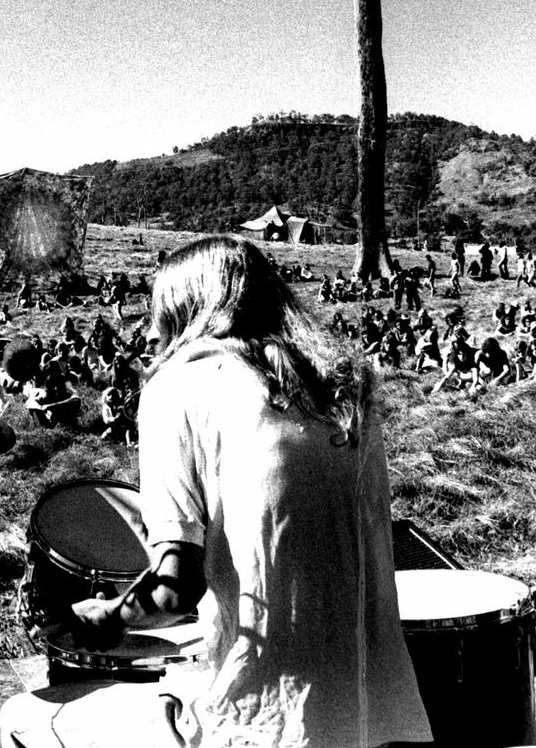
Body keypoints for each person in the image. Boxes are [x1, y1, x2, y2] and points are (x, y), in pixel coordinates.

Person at [51, 236, 432, 748]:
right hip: (388, 710)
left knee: (29, 721)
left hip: (273, 718)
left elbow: (173, 590)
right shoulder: (342, 385)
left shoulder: (178, 385)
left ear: (179, 309)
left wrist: (110, 617)